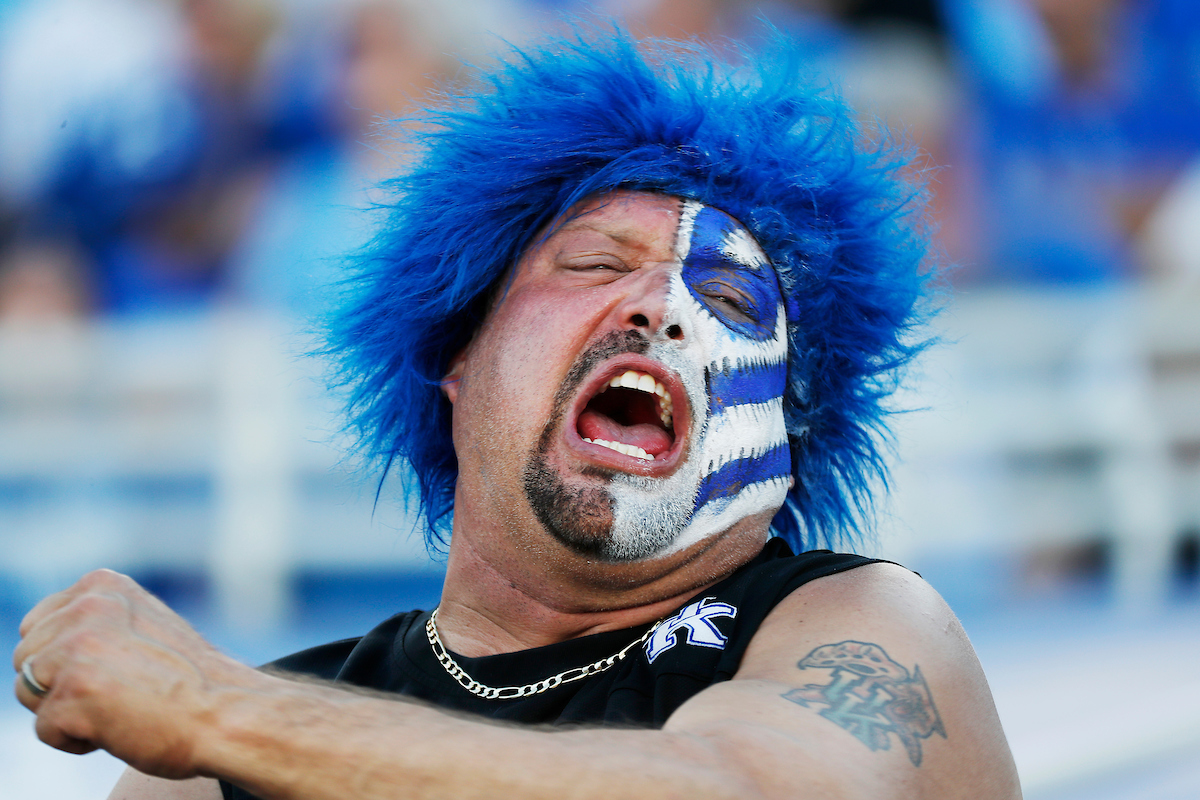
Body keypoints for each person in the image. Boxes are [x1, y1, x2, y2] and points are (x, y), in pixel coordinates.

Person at [13, 30, 1021, 800]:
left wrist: (218, 710)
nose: (660, 306)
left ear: (784, 438)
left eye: (731, 300)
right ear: (456, 357)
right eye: (594, 262)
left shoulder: (866, 628)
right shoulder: (201, 775)